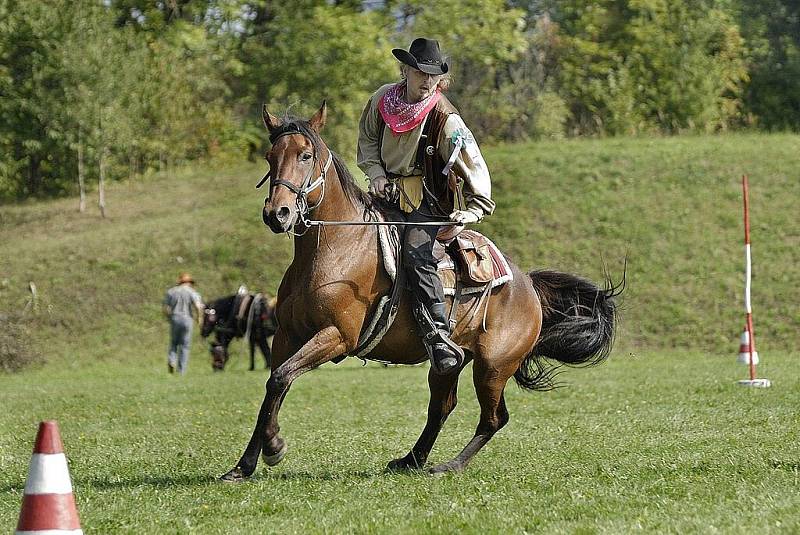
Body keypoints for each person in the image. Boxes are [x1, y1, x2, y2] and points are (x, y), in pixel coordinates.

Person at [357, 37, 495, 375]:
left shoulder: (446, 119)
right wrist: (375, 173)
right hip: (387, 193)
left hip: (429, 202)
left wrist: (474, 209)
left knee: (417, 255)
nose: (427, 82)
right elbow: (368, 140)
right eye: (421, 73)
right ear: (405, 71)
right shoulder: (381, 100)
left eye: (433, 76)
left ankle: (437, 334)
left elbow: (474, 165)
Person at [162, 272, 204, 374]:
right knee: (185, 345)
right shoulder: (192, 292)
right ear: (189, 282)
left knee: (174, 343)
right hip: (187, 319)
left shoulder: (171, 292)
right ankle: (181, 371)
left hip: (175, 318)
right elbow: (198, 306)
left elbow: (165, 308)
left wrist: (169, 318)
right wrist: (199, 318)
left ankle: (172, 360)